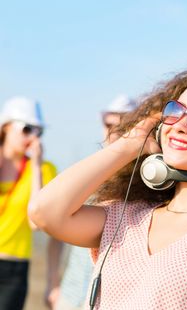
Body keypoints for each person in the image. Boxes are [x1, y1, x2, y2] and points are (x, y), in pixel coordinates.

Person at [30, 60, 187, 309]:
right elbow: (45, 212)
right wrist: (130, 144)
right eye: (176, 111)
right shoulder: (128, 217)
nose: (181, 126)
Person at [46, 95, 138, 310]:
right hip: (71, 294)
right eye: (109, 125)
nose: (115, 132)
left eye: (123, 126)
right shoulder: (82, 175)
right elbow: (55, 232)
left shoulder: (144, 181)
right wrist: (52, 282)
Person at [0, 96, 57, 310]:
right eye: (26, 129)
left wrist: (35, 167)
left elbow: (36, 223)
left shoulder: (45, 170)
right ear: (6, 128)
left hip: (14, 269)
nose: (33, 137)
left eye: (38, 131)